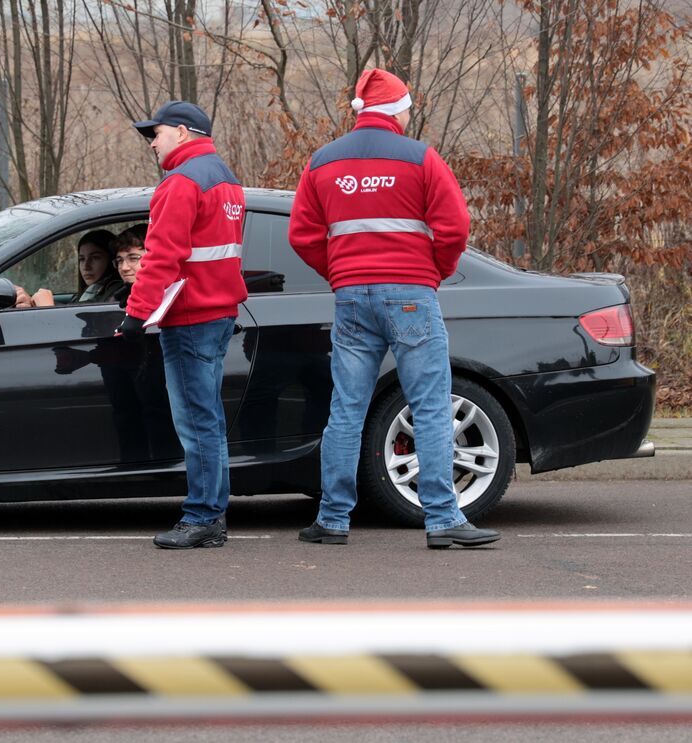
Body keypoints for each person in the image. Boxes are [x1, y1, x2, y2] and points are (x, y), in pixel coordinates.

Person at [288, 68, 500, 550]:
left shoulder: (322, 162)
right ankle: (444, 518)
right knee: (429, 406)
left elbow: (301, 235)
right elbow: (455, 228)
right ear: (397, 110)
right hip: (410, 293)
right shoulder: (421, 157)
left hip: (351, 298)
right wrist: (432, 272)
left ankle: (333, 519)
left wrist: (340, 272)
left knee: (346, 408)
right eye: (407, 106)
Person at [117, 100, 247, 549]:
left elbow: (161, 257)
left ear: (183, 132)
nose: (152, 141)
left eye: (156, 132)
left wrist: (135, 314)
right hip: (218, 313)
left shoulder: (181, 182)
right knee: (207, 418)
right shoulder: (225, 179)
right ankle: (211, 516)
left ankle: (204, 517)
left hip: (191, 318)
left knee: (197, 421)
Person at [76, 229, 118, 300]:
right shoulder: (88, 292)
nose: (86, 267)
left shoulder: (115, 294)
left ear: (111, 259)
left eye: (95, 258)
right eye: (82, 259)